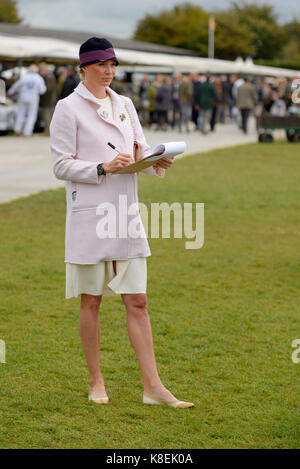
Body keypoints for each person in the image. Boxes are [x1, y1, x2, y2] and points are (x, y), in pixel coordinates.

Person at [50, 37, 194, 409]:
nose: (109, 70)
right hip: (91, 215)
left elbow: (138, 149)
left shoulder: (126, 104)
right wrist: (100, 167)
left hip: (125, 214)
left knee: (138, 300)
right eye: (101, 64)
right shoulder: (68, 108)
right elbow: (60, 164)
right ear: (84, 67)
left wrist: (155, 160)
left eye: (113, 63)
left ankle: (154, 387)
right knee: (91, 301)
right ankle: (96, 381)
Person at [8, 64, 46, 136]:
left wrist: (10, 92)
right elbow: (42, 90)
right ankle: (27, 132)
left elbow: (16, 86)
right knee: (32, 115)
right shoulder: (39, 78)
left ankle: (17, 130)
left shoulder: (24, 77)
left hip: (23, 97)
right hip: (33, 98)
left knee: (20, 113)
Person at [39, 63, 57, 135]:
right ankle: (48, 131)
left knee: (47, 116)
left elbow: (49, 89)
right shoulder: (50, 76)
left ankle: (47, 132)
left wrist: (41, 91)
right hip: (50, 100)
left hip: (48, 100)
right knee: (49, 116)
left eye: (40, 70)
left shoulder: (48, 76)